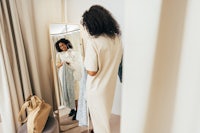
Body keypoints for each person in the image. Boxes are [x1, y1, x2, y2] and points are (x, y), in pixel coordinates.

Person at [81, 5, 123, 133]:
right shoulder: (116, 39)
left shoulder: (94, 42)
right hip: (109, 87)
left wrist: (84, 60)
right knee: (104, 119)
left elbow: (92, 71)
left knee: (100, 124)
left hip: (96, 89)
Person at [55, 38, 82, 120]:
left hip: (73, 74)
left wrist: (70, 63)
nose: (62, 47)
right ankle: (72, 109)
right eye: (60, 46)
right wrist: (63, 63)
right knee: (68, 91)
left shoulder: (73, 52)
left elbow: (78, 62)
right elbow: (57, 65)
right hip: (63, 75)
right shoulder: (59, 55)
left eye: (63, 44)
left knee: (75, 92)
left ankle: (77, 111)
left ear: (66, 43)